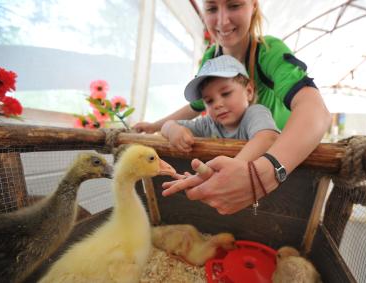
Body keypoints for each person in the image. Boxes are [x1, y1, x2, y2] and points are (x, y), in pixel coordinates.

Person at [139, 0, 331, 215]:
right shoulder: (210, 58)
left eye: (234, 5)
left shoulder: (268, 51)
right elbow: (195, 107)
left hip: (286, 163)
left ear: (254, 6)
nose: (222, 20)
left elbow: (316, 111)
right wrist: (157, 126)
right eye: (212, 8)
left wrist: (264, 172)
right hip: (241, 171)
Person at [161, 55, 279, 161]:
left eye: (226, 93)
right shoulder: (209, 124)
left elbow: (268, 138)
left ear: (249, 91)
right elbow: (167, 125)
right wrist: (172, 130)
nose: (217, 105)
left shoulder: (255, 113)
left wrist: (234, 166)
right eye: (209, 101)